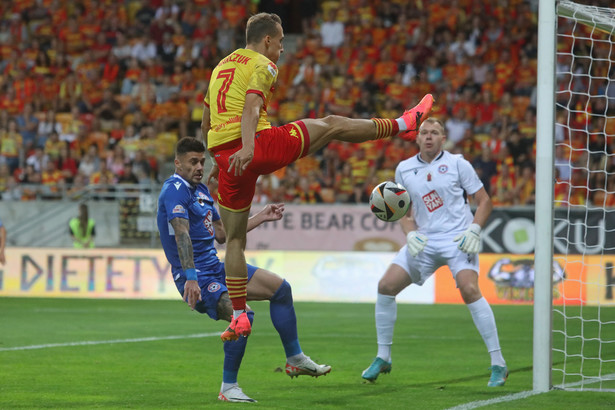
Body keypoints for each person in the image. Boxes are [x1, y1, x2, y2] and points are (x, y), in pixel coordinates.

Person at [202, 12, 434, 340]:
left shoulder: (220, 67)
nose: (282, 49)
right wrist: (251, 147)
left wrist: (215, 157)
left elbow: (207, 117)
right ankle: (403, 125)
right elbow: (252, 107)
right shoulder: (263, 64)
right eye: (280, 41)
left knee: (236, 239)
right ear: (267, 39)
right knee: (332, 124)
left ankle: (238, 315)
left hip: (227, 160)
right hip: (256, 147)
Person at [157, 137, 331, 403]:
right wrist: (191, 278)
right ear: (177, 163)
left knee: (280, 289)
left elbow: (223, 233)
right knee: (243, 317)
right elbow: (182, 234)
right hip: (194, 276)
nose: (199, 167)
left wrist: (260, 217)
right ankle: (228, 387)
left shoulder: (202, 192)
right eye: (193, 162)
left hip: (217, 267)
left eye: (202, 161)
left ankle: (295, 359)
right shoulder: (174, 190)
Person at [361, 118, 508, 387]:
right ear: (417, 138)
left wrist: (474, 230)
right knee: (386, 286)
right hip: (424, 242)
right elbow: (401, 210)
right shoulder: (404, 169)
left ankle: (498, 363)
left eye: (435, 133)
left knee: (469, 289)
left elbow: (484, 201)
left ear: (443, 139)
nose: (429, 137)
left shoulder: (458, 163)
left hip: (458, 239)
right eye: (424, 133)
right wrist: (411, 232)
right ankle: (383, 357)